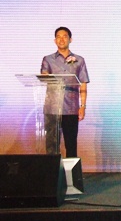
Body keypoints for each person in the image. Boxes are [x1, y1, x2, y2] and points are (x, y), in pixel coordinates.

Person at [41, 27, 90, 158]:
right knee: (52, 145)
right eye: (58, 36)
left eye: (65, 36)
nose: (61, 39)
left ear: (70, 39)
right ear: (54, 40)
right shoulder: (48, 59)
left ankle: (71, 177)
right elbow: (44, 76)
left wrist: (83, 106)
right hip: (52, 108)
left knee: (71, 144)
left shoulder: (79, 60)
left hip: (71, 108)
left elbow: (83, 83)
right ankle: (52, 175)